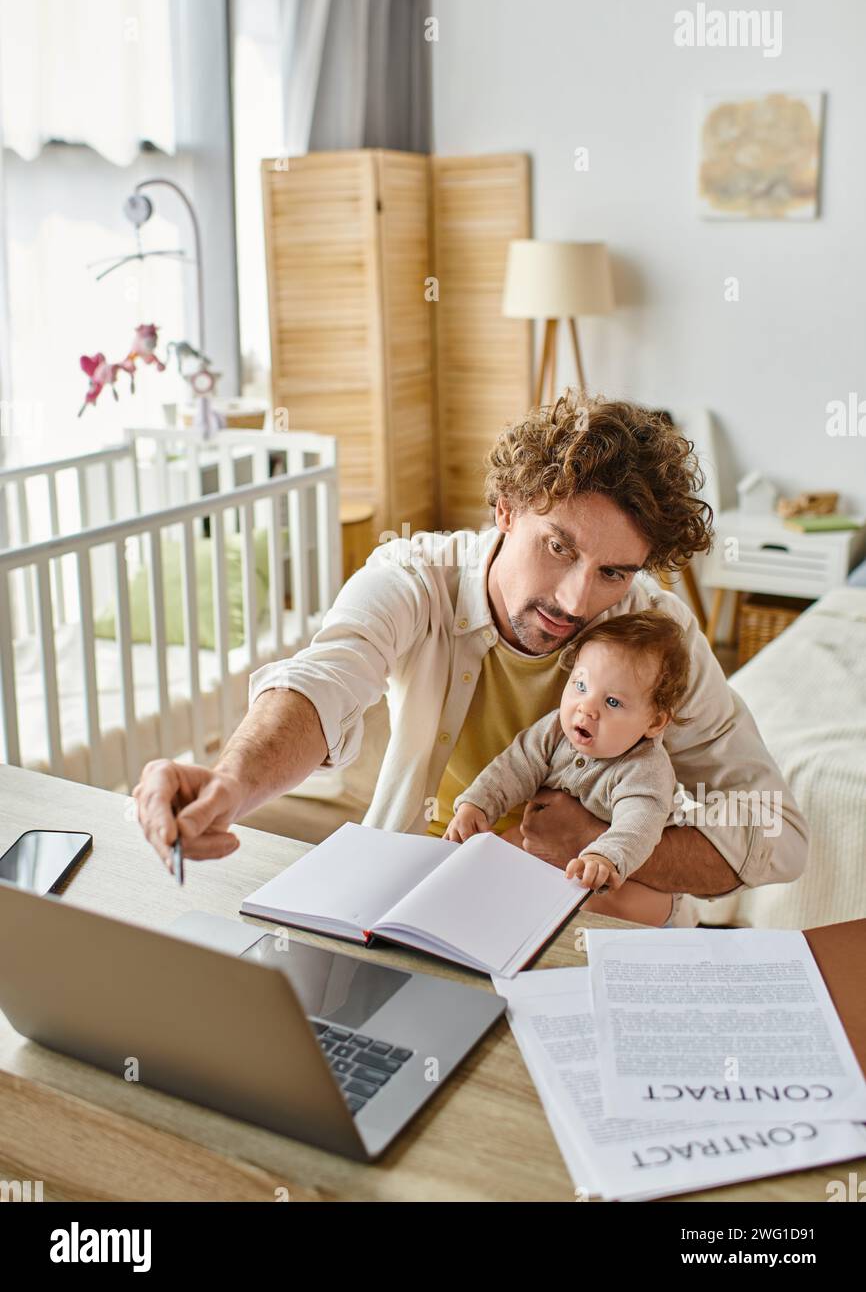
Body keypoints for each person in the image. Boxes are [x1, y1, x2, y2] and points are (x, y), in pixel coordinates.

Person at [133, 393, 808, 927]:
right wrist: (232, 780)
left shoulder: (661, 636)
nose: (577, 600)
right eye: (560, 548)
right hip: (421, 893)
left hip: (597, 919)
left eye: (613, 572)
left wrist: (599, 841)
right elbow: (325, 681)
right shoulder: (413, 578)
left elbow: (776, 831)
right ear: (506, 509)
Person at [445, 609, 692, 925]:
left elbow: (637, 826)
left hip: (635, 882)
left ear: (654, 722)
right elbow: (515, 766)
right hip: (564, 860)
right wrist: (477, 806)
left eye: (612, 702)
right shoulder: (555, 730)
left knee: (592, 903)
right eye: (580, 686)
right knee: (498, 852)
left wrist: (603, 857)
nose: (587, 708)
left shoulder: (645, 769)